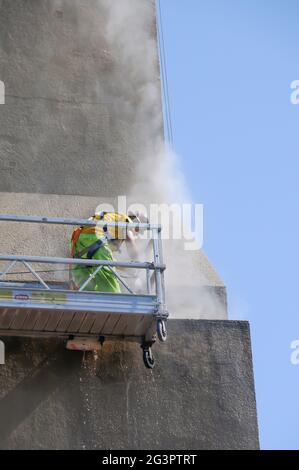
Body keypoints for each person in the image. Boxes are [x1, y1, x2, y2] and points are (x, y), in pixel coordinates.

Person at [70, 210, 147, 293]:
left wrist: (126, 269)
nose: (137, 235)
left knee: (85, 285)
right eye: (139, 231)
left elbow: (107, 260)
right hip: (96, 240)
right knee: (110, 284)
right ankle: (115, 301)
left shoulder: (110, 220)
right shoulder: (126, 220)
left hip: (78, 242)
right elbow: (130, 243)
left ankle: (85, 299)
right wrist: (138, 264)